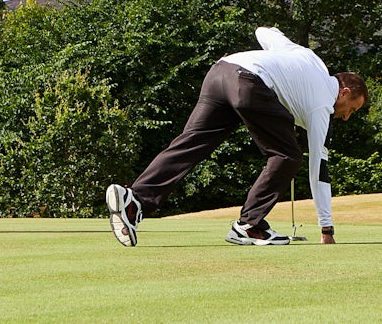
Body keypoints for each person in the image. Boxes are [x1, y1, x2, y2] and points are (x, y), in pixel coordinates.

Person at [106, 27, 367, 247]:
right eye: (352, 109)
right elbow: (319, 170)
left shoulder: (309, 57)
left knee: (191, 142)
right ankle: (250, 225)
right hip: (249, 82)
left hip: (220, 72)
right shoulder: (322, 106)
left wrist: (277, 57)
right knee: (288, 156)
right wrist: (326, 229)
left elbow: (264, 32)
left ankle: (135, 201)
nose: (346, 117)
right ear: (344, 92)